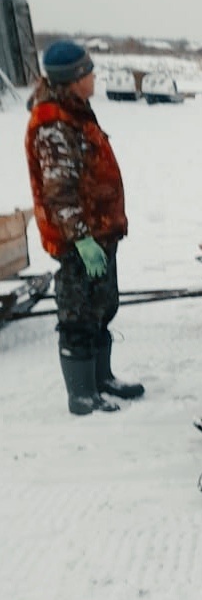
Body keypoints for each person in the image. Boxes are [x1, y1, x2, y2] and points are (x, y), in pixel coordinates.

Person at [25, 40, 144, 415]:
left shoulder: (75, 113)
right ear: (74, 79)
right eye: (88, 72)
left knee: (101, 307)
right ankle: (81, 395)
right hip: (79, 240)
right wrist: (81, 239)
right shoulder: (55, 125)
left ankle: (100, 379)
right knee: (78, 314)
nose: (93, 77)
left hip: (100, 231)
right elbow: (58, 192)